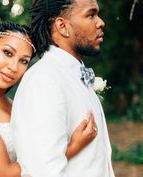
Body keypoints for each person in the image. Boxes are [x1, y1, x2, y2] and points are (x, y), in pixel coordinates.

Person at [0, 22, 97, 177]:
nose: (13, 67)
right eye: (8, 53)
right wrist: (72, 147)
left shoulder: (13, 105)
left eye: (23, 61)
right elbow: (4, 173)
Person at [11, 0, 115, 177]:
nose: (100, 22)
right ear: (62, 26)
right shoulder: (44, 80)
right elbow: (44, 171)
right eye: (91, 15)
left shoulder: (73, 74)